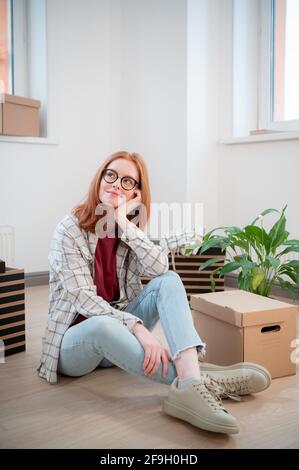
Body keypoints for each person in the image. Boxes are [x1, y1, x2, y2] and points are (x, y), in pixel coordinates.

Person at [38, 151, 271, 435]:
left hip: (118, 335)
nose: (115, 184)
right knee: (101, 324)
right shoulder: (69, 230)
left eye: (126, 181)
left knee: (169, 280)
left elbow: (160, 266)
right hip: (76, 346)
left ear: (136, 192)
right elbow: (84, 300)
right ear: (99, 179)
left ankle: (189, 385)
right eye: (110, 175)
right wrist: (136, 327)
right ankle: (197, 380)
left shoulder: (127, 229)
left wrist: (123, 222)